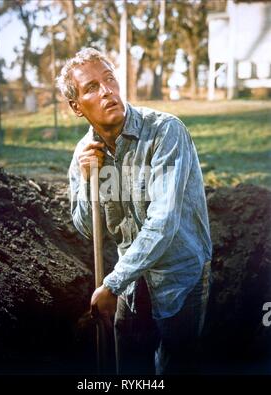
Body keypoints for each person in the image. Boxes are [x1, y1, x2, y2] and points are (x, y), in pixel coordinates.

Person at [57, 48, 212, 375]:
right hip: (131, 279)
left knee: (175, 365)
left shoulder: (165, 132)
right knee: (130, 366)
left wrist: (112, 285)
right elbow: (88, 229)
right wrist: (89, 181)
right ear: (76, 107)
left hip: (179, 275)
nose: (106, 91)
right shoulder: (84, 154)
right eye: (91, 88)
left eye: (109, 79)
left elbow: (163, 223)